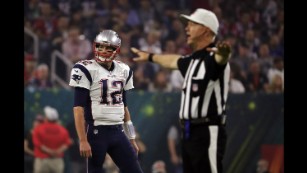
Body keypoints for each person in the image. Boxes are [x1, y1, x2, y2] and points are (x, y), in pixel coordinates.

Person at [131, 8, 232, 173]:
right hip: (188, 131)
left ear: (206, 29)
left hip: (207, 130)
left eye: (192, 25)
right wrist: (150, 57)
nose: (187, 29)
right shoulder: (192, 61)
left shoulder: (214, 59)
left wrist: (224, 55)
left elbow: (221, 60)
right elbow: (173, 61)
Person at [68, 29, 144, 173]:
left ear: (117, 50)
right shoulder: (85, 68)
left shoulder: (124, 69)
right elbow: (78, 108)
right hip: (97, 132)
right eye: (100, 46)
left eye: (108, 48)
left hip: (118, 131)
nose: (103, 51)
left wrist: (132, 137)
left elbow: (124, 107)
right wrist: (83, 140)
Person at [32, 106, 72, 173]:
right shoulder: (63, 130)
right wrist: (57, 151)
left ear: (46, 118)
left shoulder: (38, 129)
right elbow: (67, 143)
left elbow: (37, 143)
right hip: (57, 161)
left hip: (42, 161)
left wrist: (50, 151)